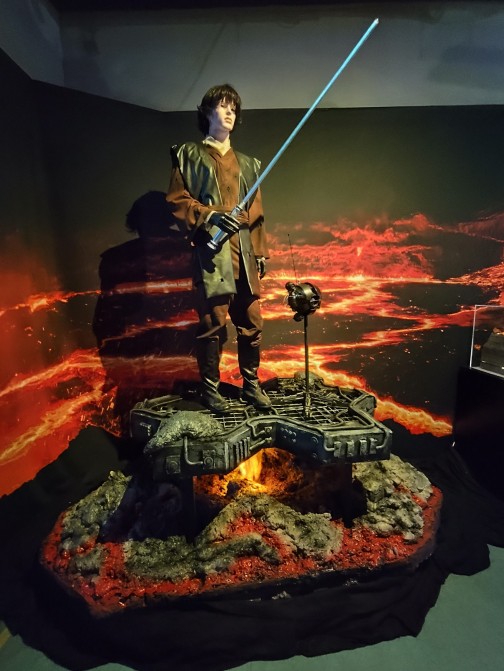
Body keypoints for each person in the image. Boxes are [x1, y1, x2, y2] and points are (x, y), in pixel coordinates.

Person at [166, 83, 271, 413]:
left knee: (252, 322)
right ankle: (210, 390)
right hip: (211, 253)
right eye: (223, 106)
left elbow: (256, 212)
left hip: (244, 252)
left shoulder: (250, 164)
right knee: (213, 323)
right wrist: (210, 216)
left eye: (234, 109)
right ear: (207, 112)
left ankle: (251, 385)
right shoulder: (188, 155)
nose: (230, 113)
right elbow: (177, 201)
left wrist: (260, 251)